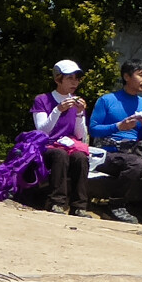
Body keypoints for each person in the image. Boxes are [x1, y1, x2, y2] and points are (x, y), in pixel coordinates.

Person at [89, 59, 142, 226]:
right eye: (141, 75)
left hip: (134, 150)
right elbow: (93, 129)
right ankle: (115, 204)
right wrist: (119, 126)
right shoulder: (107, 100)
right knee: (136, 163)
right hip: (110, 152)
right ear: (126, 76)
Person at [31, 60, 93, 214]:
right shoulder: (43, 100)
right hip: (48, 145)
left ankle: (79, 206)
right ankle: (56, 202)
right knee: (60, 155)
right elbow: (43, 130)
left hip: (70, 145)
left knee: (81, 158)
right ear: (58, 79)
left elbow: (81, 136)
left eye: (77, 78)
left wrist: (79, 114)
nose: (74, 82)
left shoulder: (77, 102)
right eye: (70, 78)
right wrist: (57, 110)